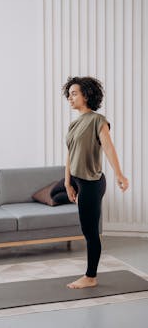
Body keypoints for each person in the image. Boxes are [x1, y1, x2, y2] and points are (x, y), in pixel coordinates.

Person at [62, 76, 129, 289]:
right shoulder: (74, 123)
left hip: (92, 183)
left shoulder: (98, 120)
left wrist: (119, 175)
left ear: (86, 95)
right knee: (86, 229)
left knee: (90, 231)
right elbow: (70, 154)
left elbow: (108, 148)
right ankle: (90, 275)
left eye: (74, 94)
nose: (70, 98)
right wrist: (67, 182)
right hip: (77, 181)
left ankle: (90, 277)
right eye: (69, 94)